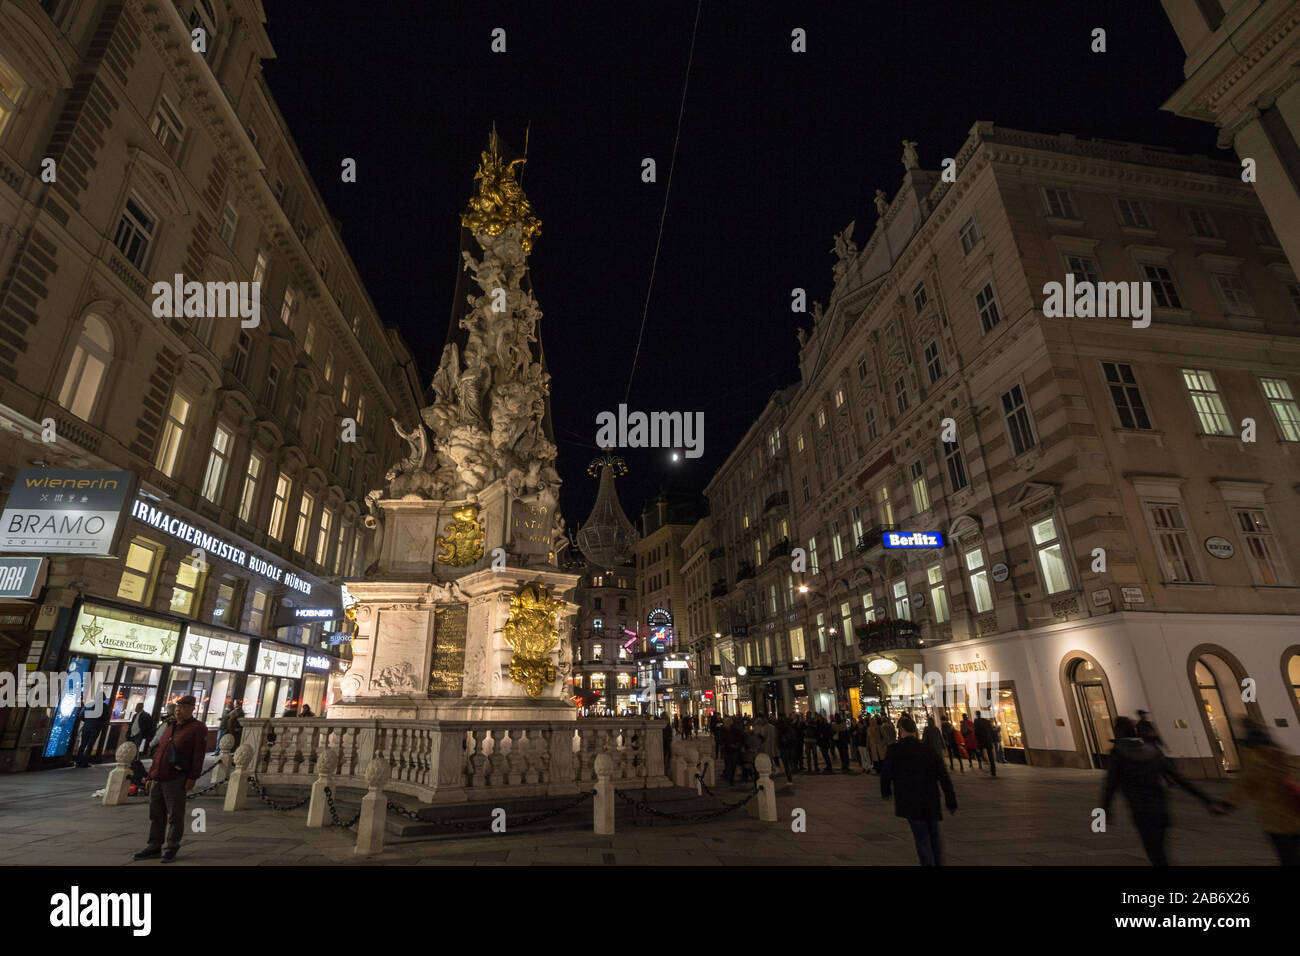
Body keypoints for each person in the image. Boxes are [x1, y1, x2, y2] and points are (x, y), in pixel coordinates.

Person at [1100, 716, 1229, 866]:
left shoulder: (1118, 755)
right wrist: (1207, 800)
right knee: (1161, 850)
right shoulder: (1152, 751)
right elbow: (1180, 779)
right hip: (1160, 807)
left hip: (1140, 810)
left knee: (1155, 853)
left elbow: (1110, 786)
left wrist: (1105, 811)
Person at [134, 695, 208, 863]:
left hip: (176, 777)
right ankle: (154, 845)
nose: (178, 710)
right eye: (176, 707)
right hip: (159, 776)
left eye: (182, 707)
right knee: (156, 813)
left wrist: (192, 777)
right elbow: (159, 752)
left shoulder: (198, 728)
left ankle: (171, 846)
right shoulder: (170, 726)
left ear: (191, 709)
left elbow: (198, 755)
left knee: (175, 814)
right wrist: (150, 775)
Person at [880, 715, 958, 865]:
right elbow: (943, 776)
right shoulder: (928, 749)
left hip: (910, 801)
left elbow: (886, 774)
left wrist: (886, 791)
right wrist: (951, 801)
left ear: (901, 730)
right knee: (935, 836)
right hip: (930, 799)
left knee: (922, 839)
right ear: (915, 730)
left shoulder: (895, 750)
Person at [1223, 719, 1300, 865]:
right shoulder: (1284, 754)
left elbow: (1243, 784)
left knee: (1287, 856)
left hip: (1275, 821)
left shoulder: (1255, 761)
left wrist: (1227, 804)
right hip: (1296, 815)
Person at [74, 694, 110, 767]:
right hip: (96, 728)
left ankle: (78, 761)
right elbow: (106, 717)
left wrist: (87, 721)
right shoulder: (105, 706)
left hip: (86, 726)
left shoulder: (88, 704)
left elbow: (80, 715)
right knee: (90, 745)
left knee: (83, 744)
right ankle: (85, 762)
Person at [972, 710, 998, 777]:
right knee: (990, 755)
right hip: (988, 740)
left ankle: (986, 763)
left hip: (981, 741)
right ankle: (993, 770)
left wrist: (977, 740)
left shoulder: (976, 721)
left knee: (980, 753)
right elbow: (991, 731)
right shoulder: (986, 721)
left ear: (976, 714)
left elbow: (976, 732)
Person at [777, 716, 801, 784]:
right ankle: (791, 773)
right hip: (790, 748)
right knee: (790, 762)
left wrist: (779, 746)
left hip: (784, 748)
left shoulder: (781, 730)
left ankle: (789, 778)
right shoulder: (791, 729)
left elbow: (779, 740)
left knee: (786, 764)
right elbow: (794, 739)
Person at [722, 717, 743, 784]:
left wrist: (736, 745)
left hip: (734, 750)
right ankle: (729, 777)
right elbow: (722, 739)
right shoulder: (724, 730)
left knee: (732, 764)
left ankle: (731, 778)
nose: (724, 724)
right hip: (727, 749)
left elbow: (740, 738)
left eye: (725, 723)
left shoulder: (735, 730)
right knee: (728, 764)